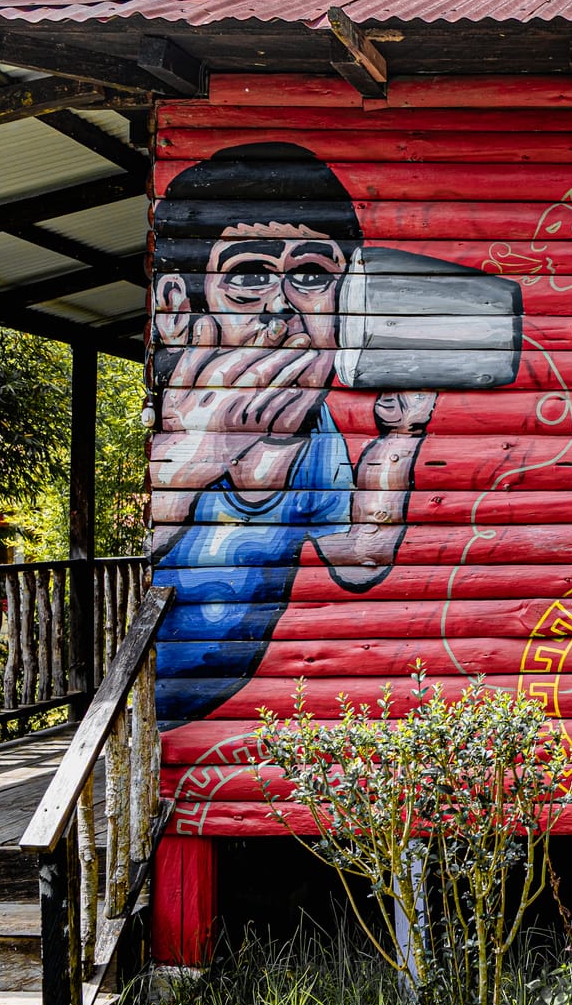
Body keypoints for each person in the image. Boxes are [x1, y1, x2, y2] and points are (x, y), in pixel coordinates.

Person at [149, 143, 433, 720]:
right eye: (248, 275)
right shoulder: (168, 415)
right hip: (142, 696)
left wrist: (398, 439)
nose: (281, 304)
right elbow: (128, 559)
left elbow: (361, 557)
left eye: (310, 275)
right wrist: (200, 452)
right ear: (179, 304)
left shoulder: (316, 432)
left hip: (218, 693)